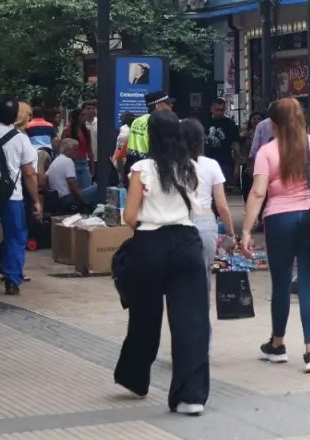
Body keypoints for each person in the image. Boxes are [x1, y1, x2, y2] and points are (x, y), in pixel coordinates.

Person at [241, 98, 310, 374]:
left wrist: (246, 229)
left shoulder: (267, 151)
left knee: (280, 283)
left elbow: (257, 192)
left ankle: (277, 345)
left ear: (273, 124)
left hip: (279, 220)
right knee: (308, 284)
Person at [113, 109, 210, 414]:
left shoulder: (142, 168)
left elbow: (129, 216)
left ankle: (136, 377)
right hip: (187, 243)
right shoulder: (191, 168)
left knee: (145, 315)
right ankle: (191, 396)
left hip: (150, 244)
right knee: (191, 321)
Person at [0, 99, 40, 296]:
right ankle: (12, 280)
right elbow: (29, 173)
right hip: (13, 197)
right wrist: (36, 200)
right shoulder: (20, 139)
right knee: (16, 237)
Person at [183, 118, 235, 294]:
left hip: (178, 222)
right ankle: (201, 317)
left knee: (179, 277)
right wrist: (231, 232)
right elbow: (222, 205)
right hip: (205, 222)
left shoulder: (171, 166)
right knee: (204, 274)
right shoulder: (212, 165)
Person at [127, 90, 176, 168]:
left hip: (133, 166)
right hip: (150, 168)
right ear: (158, 106)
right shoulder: (159, 123)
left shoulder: (136, 121)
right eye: (167, 103)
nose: (171, 105)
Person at [47, 138, 94, 212]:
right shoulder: (68, 161)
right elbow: (72, 183)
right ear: (67, 149)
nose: (77, 153)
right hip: (66, 198)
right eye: (75, 150)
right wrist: (85, 201)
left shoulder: (56, 160)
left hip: (57, 198)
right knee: (97, 188)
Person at [203, 99, 241, 189]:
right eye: (217, 110)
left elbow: (236, 147)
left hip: (225, 162)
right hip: (207, 161)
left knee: (222, 188)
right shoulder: (205, 122)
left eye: (222, 110)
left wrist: (237, 166)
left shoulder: (230, 124)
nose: (220, 112)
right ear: (211, 109)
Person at [64, 103, 95, 192]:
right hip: (72, 163)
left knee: (87, 188)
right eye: (82, 115)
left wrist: (92, 166)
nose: (84, 118)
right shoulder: (67, 131)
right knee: (74, 190)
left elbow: (89, 149)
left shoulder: (86, 131)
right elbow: (62, 150)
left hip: (84, 163)